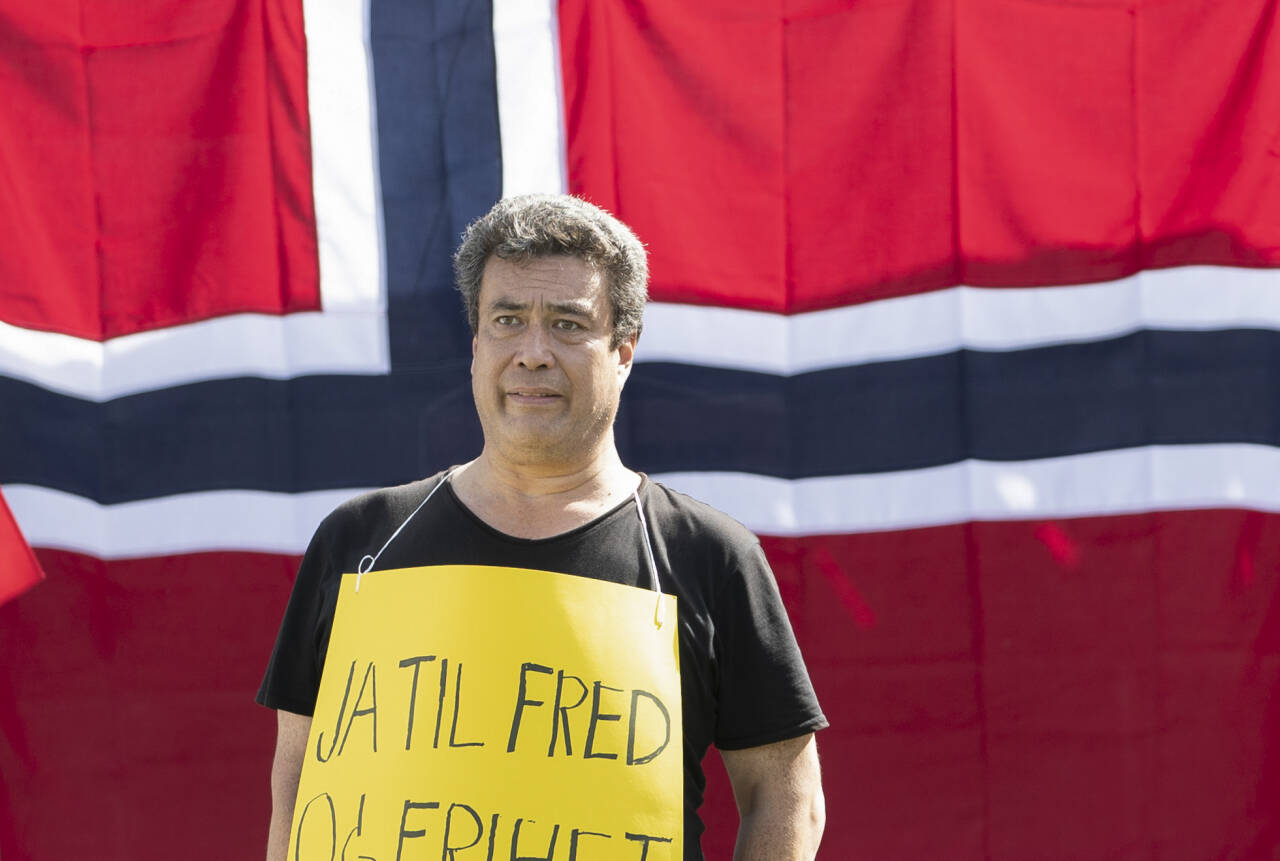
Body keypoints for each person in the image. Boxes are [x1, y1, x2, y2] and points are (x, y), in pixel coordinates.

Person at [258, 194, 827, 860]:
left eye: (567, 323)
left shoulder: (708, 557)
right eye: (507, 320)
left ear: (623, 350)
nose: (533, 352)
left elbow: (785, 790)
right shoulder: (361, 542)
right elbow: (296, 786)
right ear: (476, 344)